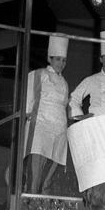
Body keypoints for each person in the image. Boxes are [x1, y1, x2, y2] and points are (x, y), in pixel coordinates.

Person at [24, 33, 70, 194]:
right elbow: (29, 96)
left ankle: (42, 204)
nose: (61, 63)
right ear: (49, 58)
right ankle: (28, 204)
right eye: (57, 59)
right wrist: (28, 112)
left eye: (63, 60)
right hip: (41, 125)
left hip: (59, 128)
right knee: (35, 171)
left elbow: (65, 105)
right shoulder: (39, 74)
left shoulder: (64, 82)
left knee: (50, 172)